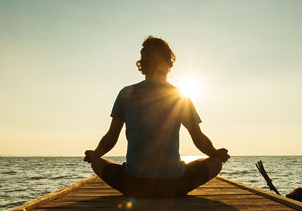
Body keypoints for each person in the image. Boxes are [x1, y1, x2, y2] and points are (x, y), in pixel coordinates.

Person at [84, 36, 230, 198]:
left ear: (142, 64)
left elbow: (111, 138)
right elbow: (198, 138)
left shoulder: (126, 94)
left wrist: (94, 155)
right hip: (173, 186)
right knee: (215, 163)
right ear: (168, 64)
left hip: (133, 185)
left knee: (98, 162)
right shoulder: (179, 96)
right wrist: (217, 153)